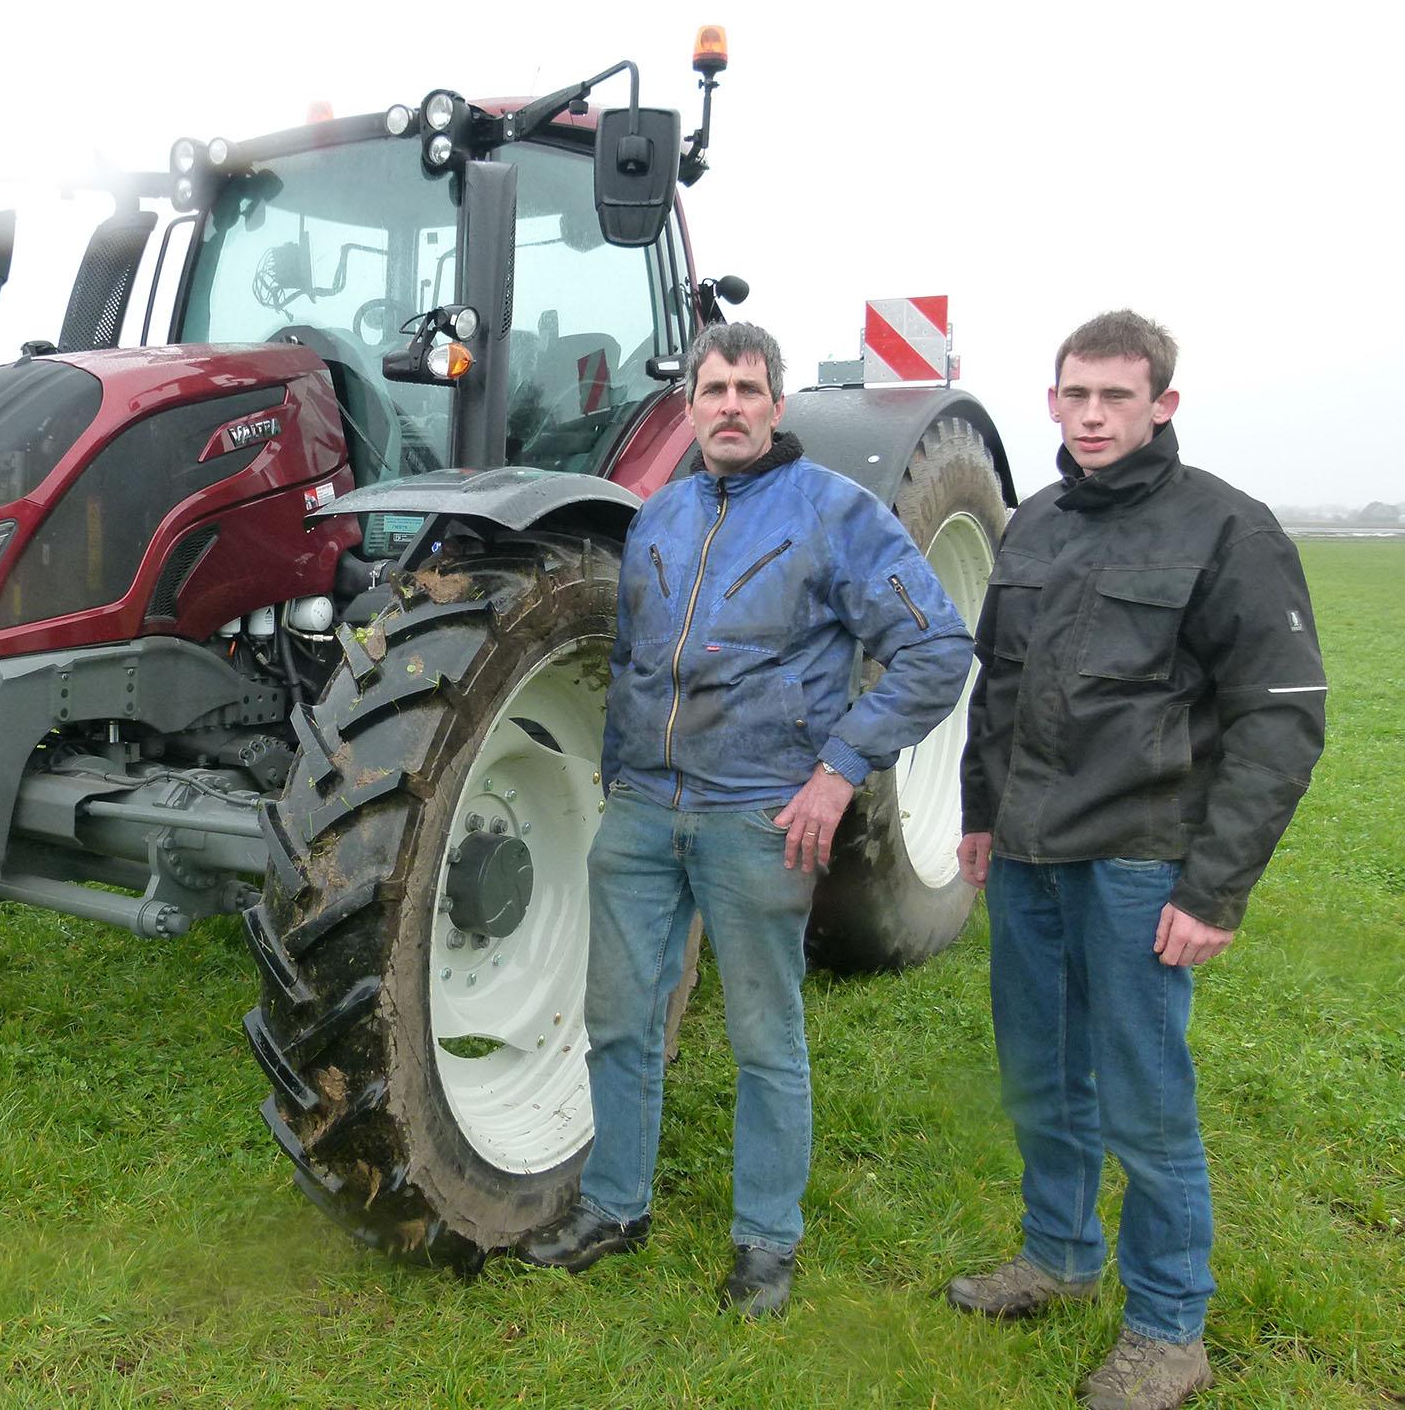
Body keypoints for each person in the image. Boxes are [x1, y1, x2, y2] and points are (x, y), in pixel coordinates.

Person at [515, 321, 973, 1314]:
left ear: (775, 406)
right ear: (688, 407)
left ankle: (765, 1241)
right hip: (641, 814)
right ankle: (612, 1207)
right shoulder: (659, 517)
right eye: (710, 388)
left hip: (758, 818)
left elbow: (936, 646)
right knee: (619, 1020)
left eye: (746, 389)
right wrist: (617, 774)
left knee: (766, 1039)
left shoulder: (832, 513)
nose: (727, 404)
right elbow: (636, 661)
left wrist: (837, 769)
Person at [949, 311, 1326, 1410]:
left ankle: (1168, 1329)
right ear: (1052, 401)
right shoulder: (1032, 527)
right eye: (1075, 395)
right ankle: (1057, 1256)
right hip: (1025, 858)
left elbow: (1281, 717)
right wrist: (978, 812)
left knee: (1143, 1103)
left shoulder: (1226, 530)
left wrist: (1211, 888)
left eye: (1116, 396)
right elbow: (998, 693)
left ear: (1161, 403)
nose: (1092, 415)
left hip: (1137, 866)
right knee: (1038, 1079)